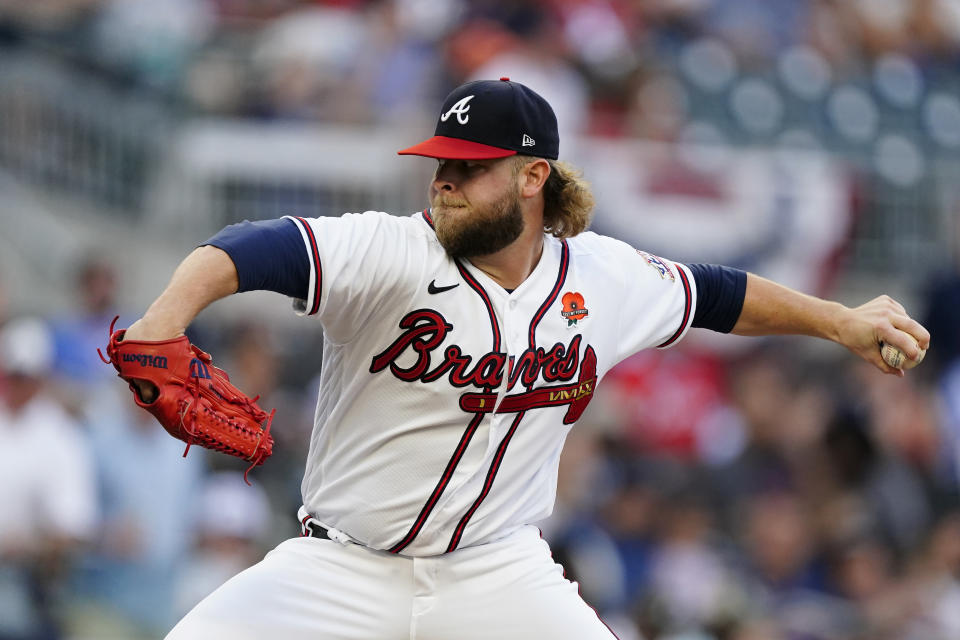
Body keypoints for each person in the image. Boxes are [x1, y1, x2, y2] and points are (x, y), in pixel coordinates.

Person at [117, 78, 929, 639]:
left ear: (535, 175)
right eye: (441, 165)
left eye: (471, 170)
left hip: (495, 575)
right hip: (342, 566)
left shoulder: (603, 277)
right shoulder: (391, 251)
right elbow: (248, 250)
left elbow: (718, 295)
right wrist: (162, 324)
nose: (446, 183)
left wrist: (837, 323)